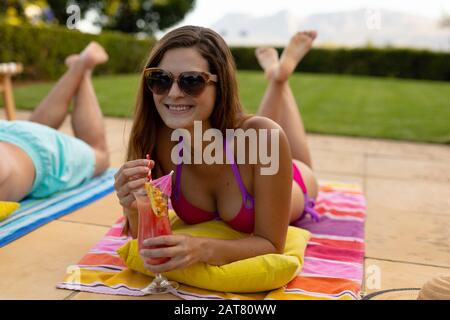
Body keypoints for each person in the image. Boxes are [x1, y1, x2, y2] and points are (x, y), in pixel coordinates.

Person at [113, 26, 319, 273]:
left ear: (220, 86)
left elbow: (272, 244)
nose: (174, 93)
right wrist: (133, 208)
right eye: (161, 79)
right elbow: (143, 237)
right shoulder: (159, 138)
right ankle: (276, 76)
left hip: (297, 179)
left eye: (191, 81)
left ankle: (279, 77)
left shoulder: (265, 137)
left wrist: (201, 248)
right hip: (253, 150)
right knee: (258, 136)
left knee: (266, 134)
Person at [0, 42, 110, 201]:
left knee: (100, 153)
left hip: (41, 154)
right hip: (11, 135)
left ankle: (82, 69)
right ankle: (79, 67)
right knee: (33, 131)